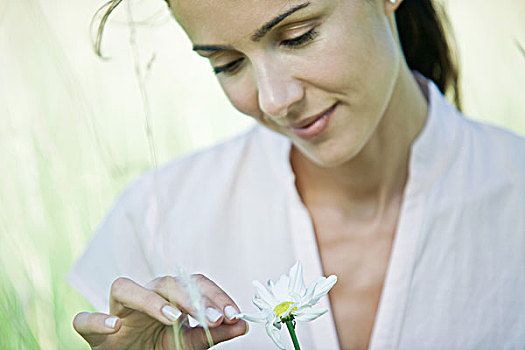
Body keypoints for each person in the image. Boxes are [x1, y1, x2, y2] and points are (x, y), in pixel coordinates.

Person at [68, 0, 525, 349]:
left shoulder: (513, 192)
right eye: (227, 64)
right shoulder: (155, 218)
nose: (273, 100)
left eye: (297, 37)